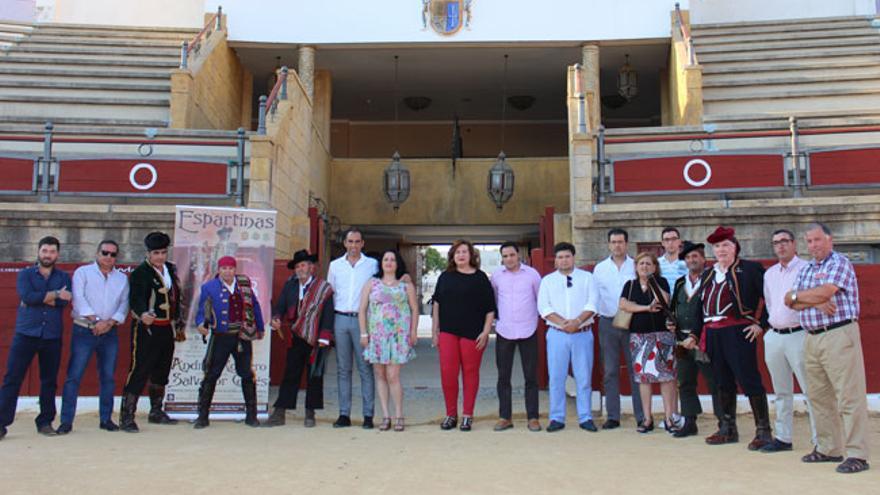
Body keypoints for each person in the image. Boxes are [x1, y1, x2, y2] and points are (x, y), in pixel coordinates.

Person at [786, 223, 870, 474]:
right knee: (818, 397)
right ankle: (828, 447)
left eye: (817, 240)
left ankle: (857, 453)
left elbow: (826, 291)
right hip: (811, 337)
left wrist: (805, 297)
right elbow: (789, 300)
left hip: (838, 334)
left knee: (848, 395)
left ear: (829, 240)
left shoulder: (840, 262)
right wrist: (813, 299)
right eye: (809, 241)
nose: (813, 245)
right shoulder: (807, 267)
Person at [699, 226, 772, 450]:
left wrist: (760, 324)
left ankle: (763, 431)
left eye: (725, 245)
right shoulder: (708, 273)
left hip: (738, 332)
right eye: (717, 246)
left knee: (749, 379)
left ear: (735, 247)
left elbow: (770, 299)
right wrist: (695, 333)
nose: (721, 250)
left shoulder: (750, 269)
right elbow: (698, 307)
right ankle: (728, 428)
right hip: (712, 332)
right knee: (721, 381)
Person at [0, 236, 72, 440]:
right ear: (38, 252)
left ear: (57, 254)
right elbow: (27, 297)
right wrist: (56, 294)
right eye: (44, 251)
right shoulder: (25, 274)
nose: (47, 255)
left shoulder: (64, 277)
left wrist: (43, 297)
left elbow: (61, 305)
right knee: (12, 378)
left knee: (49, 381)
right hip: (26, 333)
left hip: (51, 335)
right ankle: (1, 423)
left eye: (51, 252)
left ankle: (45, 421)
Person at [57, 240, 129, 434]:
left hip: (109, 331)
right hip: (84, 329)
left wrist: (109, 323)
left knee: (108, 377)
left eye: (113, 254)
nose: (108, 257)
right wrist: (97, 321)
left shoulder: (121, 279)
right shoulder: (83, 272)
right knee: (74, 376)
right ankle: (66, 421)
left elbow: (123, 304)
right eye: (105, 253)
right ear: (97, 253)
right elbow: (79, 299)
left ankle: (106, 419)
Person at [119, 231, 185, 433]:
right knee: (139, 369)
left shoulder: (170, 270)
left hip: (166, 328)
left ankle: (156, 411)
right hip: (147, 328)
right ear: (148, 253)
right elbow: (136, 298)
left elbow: (177, 297)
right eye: (156, 253)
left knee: (162, 369)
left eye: (163, 252)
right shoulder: (141, 273)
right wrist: (141, 313)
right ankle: (127, 416)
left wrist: (179, 322)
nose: (160, 257)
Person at [193, 256, 266, 429]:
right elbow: (202, 310)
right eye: (224, 268)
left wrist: (260, 326)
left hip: (241, 335)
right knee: (211, 373)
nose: (227, 271)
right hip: (221, 336)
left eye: (231, 268)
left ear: (235, 269)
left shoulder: (243, 284)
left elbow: (254, 305)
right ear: (219, 270)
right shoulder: (209, 287)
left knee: (247, 373)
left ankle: (251, 415)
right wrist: (200, 323)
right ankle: (202, 416)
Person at [761, 229, 817, 453]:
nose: (780, 246)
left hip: (799, 334)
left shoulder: (807, 268)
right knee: (781, 391)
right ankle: (783, 437)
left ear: (794, 244)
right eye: (776, 243)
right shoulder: (770, 273)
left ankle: (820, 440)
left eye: (784, 241)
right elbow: (770, 303)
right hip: (775, 335)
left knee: (811, 389)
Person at [431, 240, 496, 431]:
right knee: (448, 374)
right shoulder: (445, 277)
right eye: (457, 252)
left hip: (473, 333)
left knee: (470, 373)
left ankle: (468, 415)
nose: (461, 255)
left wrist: (486, 332)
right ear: (452, 256)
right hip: (448, 332)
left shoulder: (481, 278)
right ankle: (451, 414)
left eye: (464, 252)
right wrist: (435, 331)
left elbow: (490, 308)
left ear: (471, 255)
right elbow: (436, 304)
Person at [266, 250, 335, 428]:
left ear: (311, 268)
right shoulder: (290, 286)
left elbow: (328, 314)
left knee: (314, 376)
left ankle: (310, 413)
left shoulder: (323, 288)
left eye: (303, 265)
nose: (300, 269)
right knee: (290, 374)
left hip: (316, 338)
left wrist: (325, 337)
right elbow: (280, 306)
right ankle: (280, 412)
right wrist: (276, 317)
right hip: (295, 336)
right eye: (297, 266)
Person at [538, 242, 599, 433]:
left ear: (573, 257)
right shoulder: (547, 281)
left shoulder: (587, 278)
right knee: (556, 377)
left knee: (583, 377)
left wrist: (577, 321)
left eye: (567, 256)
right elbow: (544, 307)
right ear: (555, 260)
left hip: (582, 333)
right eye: (560, 257)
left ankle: (585, 416)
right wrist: (564, 323)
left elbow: (592, 303)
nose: (564, 260)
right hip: (557, 334)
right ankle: (557, 417)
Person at [358, 250, 418, 432]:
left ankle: (399, 415)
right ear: (381, 263)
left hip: (398, 336)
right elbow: (362, 309)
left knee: (393, 376)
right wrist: (363, 334)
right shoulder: (372, 283)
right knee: (380, 375)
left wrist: (413, 331)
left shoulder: (406, 285)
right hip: (377, 336)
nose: (389, 262)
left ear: (397, 263)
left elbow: (414, 309)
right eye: (386, 259)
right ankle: (385, 415)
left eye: (392, 259)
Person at [667, 241, 721, 438]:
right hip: (682, 340)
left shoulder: (713, 279)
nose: (692, 260)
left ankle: (724, 421)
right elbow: (674, 308)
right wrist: (671, 324)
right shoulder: (681, 283)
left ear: (703, 259)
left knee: (714, 381)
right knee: (685, 381)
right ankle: (690, 421)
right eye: (688, 257)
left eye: (695, 256)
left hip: (704, 339)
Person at [618, 252, 676, 433]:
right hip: (639, 337)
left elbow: (664, 300)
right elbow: (623, 305)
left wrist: (652, 283)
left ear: (654, 267)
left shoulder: (662, 282)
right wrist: (646, 308)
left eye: (648, 264)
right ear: (635, 267)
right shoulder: (630, 285)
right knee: (643, 379)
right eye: (641, 263)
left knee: (666, 378)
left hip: (662, 335)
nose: (644, 266)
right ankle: (647, 418)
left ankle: (668, 418)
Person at [592, 228, 643, 429]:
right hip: (607, 321)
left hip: (633, 322)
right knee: (610, 370)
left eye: (620, 242)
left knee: (635, 370)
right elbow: (594, 296)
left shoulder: (636, 265)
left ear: (626, 244)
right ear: (608, 244)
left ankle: (642, 415)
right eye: (613, 242)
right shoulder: (600, 268)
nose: (617, 245)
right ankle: (613, 415)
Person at [328, 228, 378, 429]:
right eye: (350, 241)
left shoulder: (372, 265)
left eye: (357, 242)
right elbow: (330, 292)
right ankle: (344, 414)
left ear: (363, 244)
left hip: (362, 320)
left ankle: (368, 415)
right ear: (345, 243)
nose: (354, 245)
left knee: (365, 368)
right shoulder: (335, 266)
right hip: (340, 318)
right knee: (343, 369)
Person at [491, 242, 542, 432]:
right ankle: (505, 417)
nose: (509, 259)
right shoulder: (496, 276)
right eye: (505, 256)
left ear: (518, 255)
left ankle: (533, 417)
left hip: (528, 329)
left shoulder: (532, 275)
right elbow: (495, 300)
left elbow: (539, 299)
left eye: (511, 255)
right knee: (503, 376)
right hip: (505, 330)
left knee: (531, 376)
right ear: (501, 258)